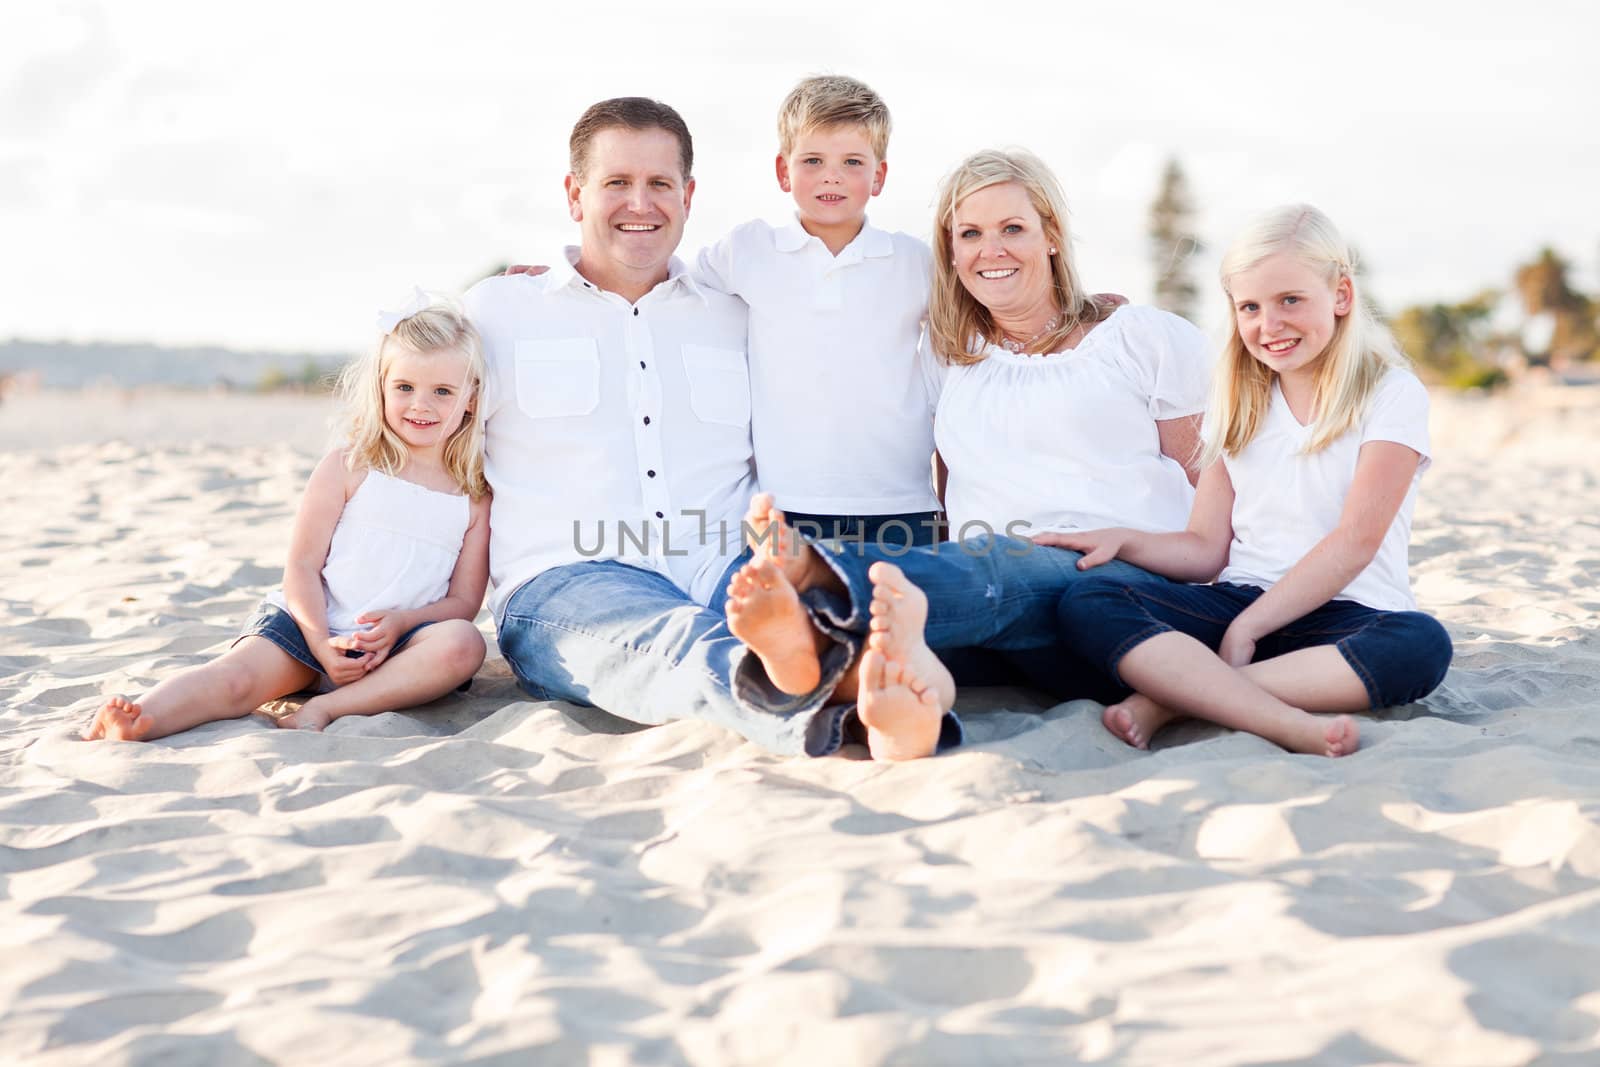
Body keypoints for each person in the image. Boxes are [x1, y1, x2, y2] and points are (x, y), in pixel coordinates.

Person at [463, 97, 961, 761]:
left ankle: (879, 699)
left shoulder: (733, 306)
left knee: (824, 611)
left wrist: (1068, 309)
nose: (640, 202)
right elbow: (409, 445)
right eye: (616, 183)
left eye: (660, 184)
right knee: (679, 643)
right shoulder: (499, 312)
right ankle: (842, 703)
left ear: (689, 195)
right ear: (573, 193)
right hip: (571, 575)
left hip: (723, 557)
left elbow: (866, 336)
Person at [724, 148, 1212, 715]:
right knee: (896, 649)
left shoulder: (1141, 338)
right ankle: (824, 668)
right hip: (1007, 612)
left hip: (1123, 590)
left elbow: (1209, 490)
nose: (992, 249)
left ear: (1051, 236)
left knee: (1001, 562)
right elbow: (951, 485)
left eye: (1013, 228)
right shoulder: (950, 355)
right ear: (952, 253)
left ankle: (819, 576)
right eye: (971, 234)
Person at [1047, 204, 1453, 756]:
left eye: (1291, 300)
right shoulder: (1238, 402)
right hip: (1241, 600)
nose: (1270, 325)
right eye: (1251, 307)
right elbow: (1205, 548)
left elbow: (1356, 543)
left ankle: (1176, 698)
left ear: (1341, 296)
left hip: (1349, 615)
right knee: (1089, 599)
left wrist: (1249, 630)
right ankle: (1232, 696)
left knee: (1422, 645)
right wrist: (1125, 540)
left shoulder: (1390, 393)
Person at [82, 295, 492, 740]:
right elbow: (301, 566)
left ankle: (329, 707)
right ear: (381, 387)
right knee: (234, 680)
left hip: (397, 650)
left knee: (463, 644)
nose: (421, 405)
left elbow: (464, 602)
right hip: (308, 630)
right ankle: (140, 718)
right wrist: (319, 641)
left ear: (470, 398)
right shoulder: (351, 465)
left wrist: (402, 623)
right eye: (405, 387)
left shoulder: (472, 493)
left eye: (443, 392)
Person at [693, 74, 941, 550]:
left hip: (900, 503)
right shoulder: (748, 249)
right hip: (784, 505)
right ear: (783, 171)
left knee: (897, 622)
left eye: (852, 162)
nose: (832, 175)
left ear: (879, 176)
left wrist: (1082, 308)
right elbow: (667, 287)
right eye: (813, 161)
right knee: (795, 624)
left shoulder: (915, 261)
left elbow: (988, 315)